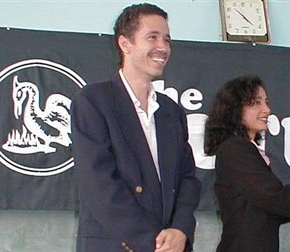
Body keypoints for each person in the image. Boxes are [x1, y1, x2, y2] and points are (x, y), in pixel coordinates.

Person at [71, 3, 201, 252]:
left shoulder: (172, 112)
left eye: (167, 39)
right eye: (152, 37)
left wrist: (180, 230)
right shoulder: (93, 101)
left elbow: (188, 180)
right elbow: (99, 187)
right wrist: (156, 243)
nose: (163, 47)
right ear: (125, 44)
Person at [204, 75, 290, 252]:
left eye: (266, 102)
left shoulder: (244, 148)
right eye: (256, 103)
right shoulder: (235, 148)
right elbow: (272, 197)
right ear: (235, 109)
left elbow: (273, 211)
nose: (267, 109)